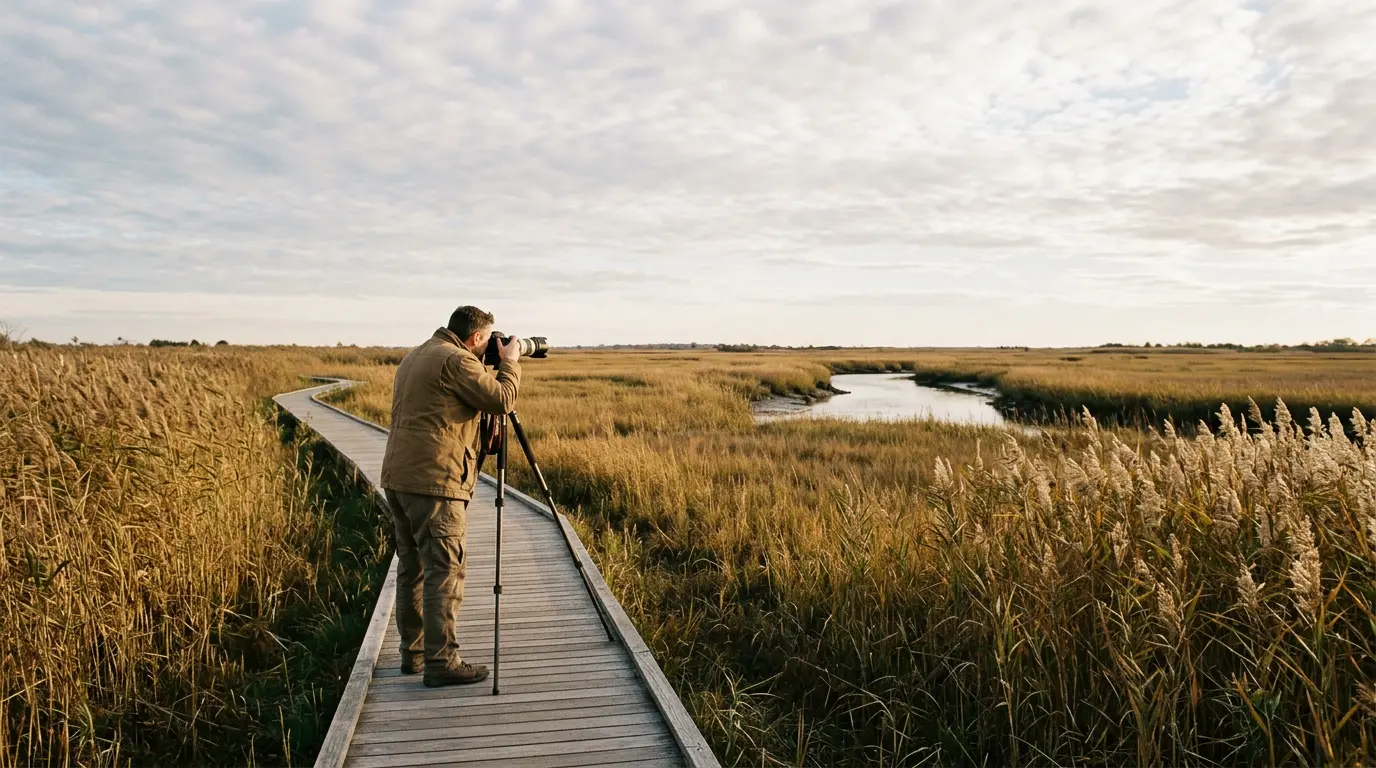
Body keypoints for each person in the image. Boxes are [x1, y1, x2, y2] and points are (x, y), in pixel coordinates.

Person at [379, 305, 522, 687]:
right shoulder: (458, 361)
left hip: (399, 478)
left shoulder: (418, 354)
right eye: (489, 340)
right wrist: (510, 362)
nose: (491, 346)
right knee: (445, 571)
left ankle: (414, 656)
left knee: (413, 570)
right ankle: (442, 661)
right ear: (476, 338)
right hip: (434, 483)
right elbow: (502, 399)